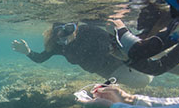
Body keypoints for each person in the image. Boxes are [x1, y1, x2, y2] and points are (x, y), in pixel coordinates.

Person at [12, 21, 153, 89]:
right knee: (143, 82)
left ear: (75, 28)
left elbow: (114, 39)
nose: (66, 36)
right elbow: (40, 58)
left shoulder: (89, 30)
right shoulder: (59, 46)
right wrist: (27, 52)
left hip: (119, 60)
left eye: (69, 29)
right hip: (107, 71)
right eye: (60, 33)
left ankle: (158, 59)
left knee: (151, 68)